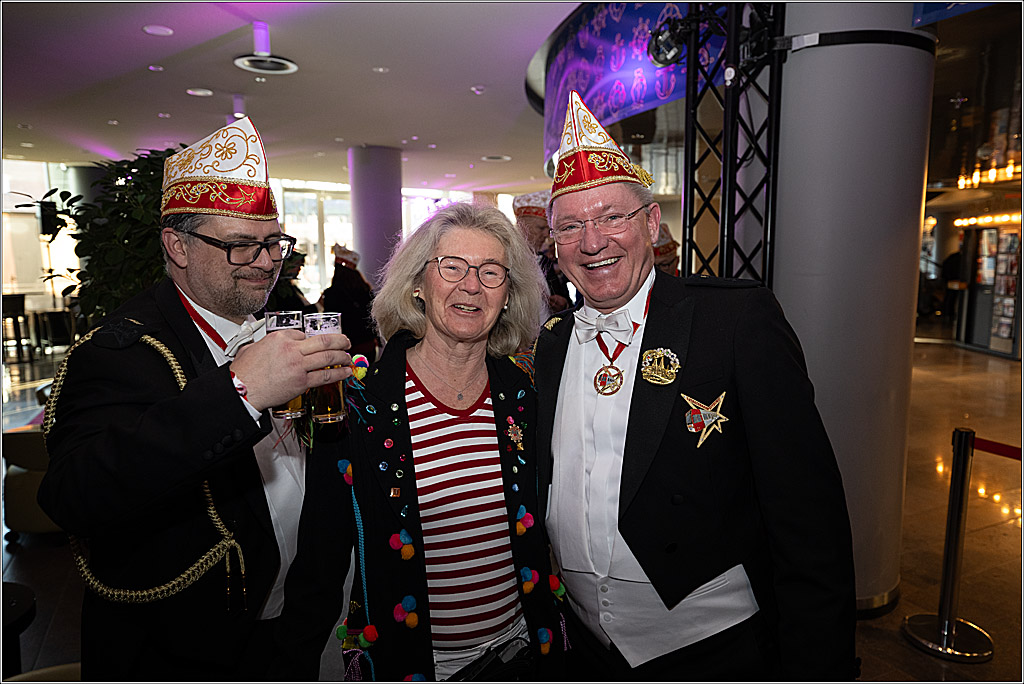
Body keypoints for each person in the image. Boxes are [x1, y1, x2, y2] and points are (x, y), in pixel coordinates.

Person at [533, 91, 857, 680]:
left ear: (652, 223)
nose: (592, 241)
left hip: (712, 650)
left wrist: (820, 664)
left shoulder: (734, 322)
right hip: (584, 648)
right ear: (554, 243)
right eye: (571, 226)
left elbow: (808, 519)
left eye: (612, 217)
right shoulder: (552, 342)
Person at [37, 117, 352, 681]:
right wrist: (240, 393)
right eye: (239, 246)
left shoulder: (273, 329)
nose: (264, 262)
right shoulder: (119, 350)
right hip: (181, 656)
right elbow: (73, 494)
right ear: (176, 246)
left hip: (286, 635)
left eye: (272, 243)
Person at [272, 203, 567, 681]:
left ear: (509, 295)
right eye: (451, 266)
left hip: (525, 655)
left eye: (491, 272)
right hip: (412, 666)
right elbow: (319, 573)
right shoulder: (358, 407)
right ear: (417, 283)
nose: (471, 285)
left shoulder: (527, 394)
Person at [514, 189, 572, 312]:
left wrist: (563, 304)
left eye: (548, 229)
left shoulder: (545, 262)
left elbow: (565, 300)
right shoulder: (509, 261)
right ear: (521, 225)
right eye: (541, 228)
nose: (546, 235)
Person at [320, 243, 378, 359]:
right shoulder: (365, 289)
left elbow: (330, 325)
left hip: (345, 348)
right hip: (368, 346)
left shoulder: (331, 294)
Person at [265, 249, 319, 315]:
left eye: (300, 265)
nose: (299, 269)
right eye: (296, 265)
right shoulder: (279, 289)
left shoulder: (291, 287)